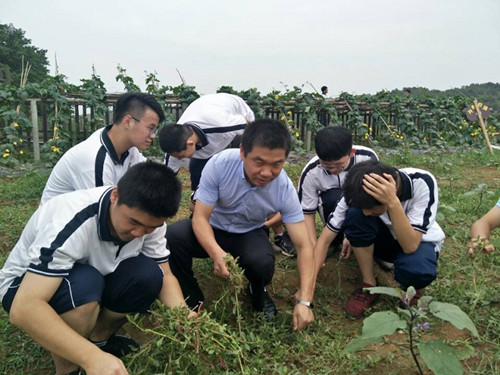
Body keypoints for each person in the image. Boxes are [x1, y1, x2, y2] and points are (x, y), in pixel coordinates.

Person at [0, 162, 194, 375]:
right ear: (115, 195)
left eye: (150, 228)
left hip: (91, 274)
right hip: (25, 286)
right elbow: (24, 307)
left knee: (148, 275)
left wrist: (182, 315)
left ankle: (98, 340)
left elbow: (164, 274)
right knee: (85, 285)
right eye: (133, 222)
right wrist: (91, 359)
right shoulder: (71, 219)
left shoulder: (151, 222)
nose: (139, 233)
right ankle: (69, 369)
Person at [166, 119, 316, 331]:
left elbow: (304, 245)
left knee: (262, 263)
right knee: (173, 236)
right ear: (243, 152)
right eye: (259, 162)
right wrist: (216, 253)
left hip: (249, 232)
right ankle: (191, 298)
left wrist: (305, 301)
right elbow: (200, 218)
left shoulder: (283, 188)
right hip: (213, 228)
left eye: (276, 164)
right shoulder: (219, 165)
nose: (267, 173)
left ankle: (257, 291)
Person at [314, 160, 445, 318]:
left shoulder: (422, 182)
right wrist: (306, 290)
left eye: (371, 208)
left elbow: (410, 246)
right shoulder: (361, 188)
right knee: (355, 215)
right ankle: (369, 284)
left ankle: (413, 287)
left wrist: (392, 202)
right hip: (384, 240)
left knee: (416, 271)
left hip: (416, 243)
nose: (367, 213)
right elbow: (326, 238)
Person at [40, 92, 164, 204]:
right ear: (128, 121)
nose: (153, 136)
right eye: (150, 128)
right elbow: (103, 215)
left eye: (155, 130)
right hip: (58, 225)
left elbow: (151, 180)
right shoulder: (94, 158)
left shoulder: (129, 149)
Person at [278, 126, 378, 258]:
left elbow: (375, 196)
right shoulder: (311, 172)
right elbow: (307, 212)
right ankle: (333, 241)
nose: (333, 170)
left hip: (360, 209)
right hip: (331, 210)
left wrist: (353, 231)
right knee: (332, 197)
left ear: (351, 153)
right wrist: (313, 245)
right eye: (326, 165)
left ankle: (362, 239)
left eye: (338, 165)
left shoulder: (367, 158)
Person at [159, 92, 254, 193]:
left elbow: (248, 124)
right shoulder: (177, 138)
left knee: (239, 155)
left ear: (190, 144)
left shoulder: (222, 125)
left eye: (181, 156)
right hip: (205, 111)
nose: (179, 159)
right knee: (196, 167)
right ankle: (197, 196)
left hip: (238, 113)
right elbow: (167, 177)